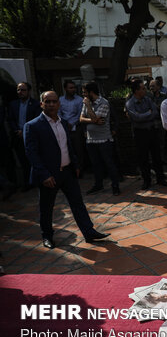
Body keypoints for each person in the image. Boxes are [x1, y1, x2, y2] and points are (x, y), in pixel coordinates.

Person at [24, 91, 109, 249]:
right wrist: (44, 175)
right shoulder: (32, 126)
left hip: (68, 172)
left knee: (78, 204)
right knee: (47, 208)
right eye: (47, 101)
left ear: (59, 104)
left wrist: (75, 165)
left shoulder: (63, 123)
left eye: (54, 101)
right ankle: (47, 236)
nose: (51, 104)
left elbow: (68, 146)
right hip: (49, 176)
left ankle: (89, 232)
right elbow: (32, 154)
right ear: (41, 104)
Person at [125, 79, 167, 190]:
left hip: (152, 130)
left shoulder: (148, 100)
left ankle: (160, 178)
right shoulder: (130, 103)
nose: (145, 90)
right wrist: (147, 114)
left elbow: (154, 112)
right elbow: (136, 118)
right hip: (140, 133)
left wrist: (144, 115)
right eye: (143, 88)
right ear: (136, 90)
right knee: (143, 158)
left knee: (156, 156)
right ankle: (147, 180)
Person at [80, 81, 121, 196]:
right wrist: (93, 120)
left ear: (91, 92)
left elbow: (97, 118)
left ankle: (115, 186)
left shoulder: (103, 103)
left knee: (109, 163)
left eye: (85, 92)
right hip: (91, 139)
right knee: (95, 164)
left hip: (104, 139)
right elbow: (82, 119)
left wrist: (89, 108)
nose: (83, 95)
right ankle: (98, 185)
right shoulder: (86, 102)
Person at [7, 82, 41, 189]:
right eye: (18, 90)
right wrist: (17, 130)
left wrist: (25, 131)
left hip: (31, 137)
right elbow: (10, 119)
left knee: (34, 159)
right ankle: (27, 183)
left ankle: (37, 181)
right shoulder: (13, 104)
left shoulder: (36, 104)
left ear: (29, 91)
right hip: (18, 137)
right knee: (23, 161)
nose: (20, 92)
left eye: (23, 90)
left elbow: (37, 119)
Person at [59, 80, 86, 175]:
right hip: (63, 128)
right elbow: (59, 114)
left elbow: (80, 114)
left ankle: (80, 170)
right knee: (66, 149)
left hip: (76, 127)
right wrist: (65, 123)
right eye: (70, 88)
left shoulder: (79, 100)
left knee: (79, 150)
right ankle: (70, 170)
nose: (73, 89)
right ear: (65, 89)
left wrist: (72, 123)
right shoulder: (60, 100)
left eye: (74, 87)